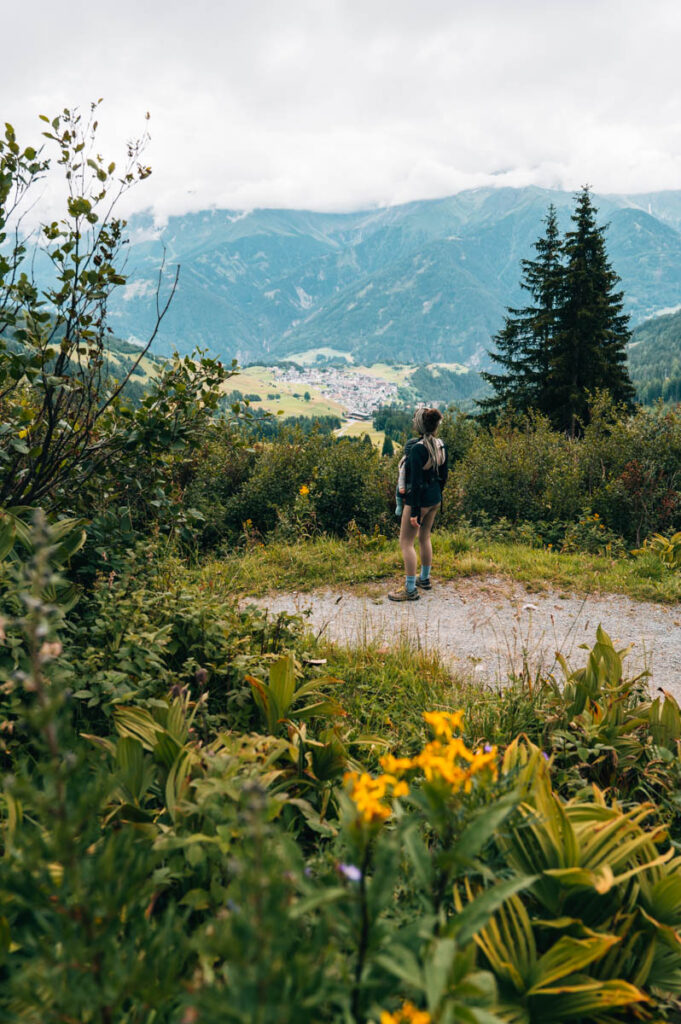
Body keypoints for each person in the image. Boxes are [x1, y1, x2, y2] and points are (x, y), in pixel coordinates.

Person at [389, 407, 448, 602]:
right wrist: (436, 494)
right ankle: (425, 579)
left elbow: (414, 483)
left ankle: (410, 589)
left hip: (419, 501)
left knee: (406, 542)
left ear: (419, 425)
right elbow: (444, 476)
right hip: (435, 498)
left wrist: (414, 511)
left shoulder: (417, 449)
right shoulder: (440, 445)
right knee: (425, 537)